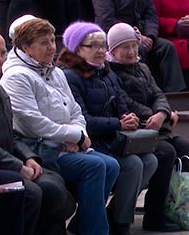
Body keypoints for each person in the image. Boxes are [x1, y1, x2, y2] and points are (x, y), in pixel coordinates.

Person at [1, 18, 119, 235]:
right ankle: (96, 231)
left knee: (111, 164)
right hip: (39, 148)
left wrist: (79, 135)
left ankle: (82, 225)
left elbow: (75, 109)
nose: (51, 48)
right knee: (94, 166)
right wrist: (74, 136)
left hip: (65, 144)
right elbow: (33, 123)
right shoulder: (16, 76)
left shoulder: (54, 71)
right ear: (26, 47)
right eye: (44, 43)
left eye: (52, 42)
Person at [58, 22, 157, 235]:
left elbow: (120, 103)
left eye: (103, 45)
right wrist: (118, 123)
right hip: (91, 140)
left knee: (150, 160)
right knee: (132, 165)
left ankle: (114, 215)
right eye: (93, 46)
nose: (101, 50)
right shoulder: (70, 77)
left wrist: (127, 117)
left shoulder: (107, 73)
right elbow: (82, 118)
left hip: (113, 138)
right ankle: (119, 224)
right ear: (77, 48)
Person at [102, 24, 189, 232]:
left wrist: (162, 113)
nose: (132, 52)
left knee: (184, 147)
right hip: (137, 129)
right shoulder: (112, 72)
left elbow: (158, 93)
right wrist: (155, 116)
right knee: (165, 152)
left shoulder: (143, 68)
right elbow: (126, 103)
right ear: (113, 51)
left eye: (134, 46)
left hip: (157, 125)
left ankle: (177, 208)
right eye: (125, 47)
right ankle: (154, 214)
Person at [0, 29, 76, 235]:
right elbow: (33, 123)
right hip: (4, 165)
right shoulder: (15, 79)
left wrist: (28, 158)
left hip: (11, 159)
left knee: (51, 184)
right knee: (32, 192)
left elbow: (10, 135)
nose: (0, 59)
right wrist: (17, 165)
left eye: (3, 53)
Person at [93, 0, 186, 92]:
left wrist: (149, 35)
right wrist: (136, 36)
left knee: (166, 47)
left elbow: (151, 15)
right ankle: (145, 91)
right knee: (139, 49)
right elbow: (106, 20)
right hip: (119, 37)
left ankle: (175, 93)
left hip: (143, 34)